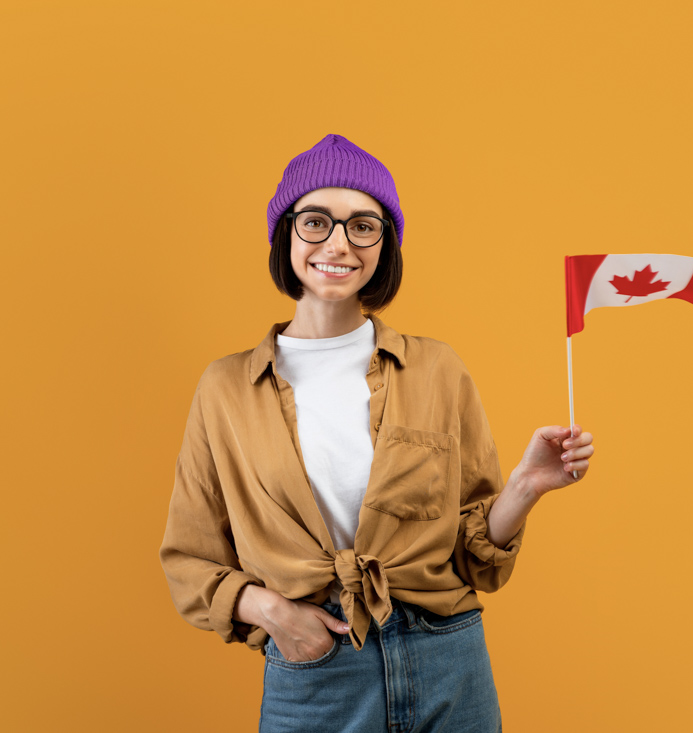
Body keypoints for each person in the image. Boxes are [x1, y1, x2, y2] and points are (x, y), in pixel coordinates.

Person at [159, 133, 596, 732]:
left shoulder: (437, 369)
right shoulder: (226, 389)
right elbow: (189, 556)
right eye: (316, 221)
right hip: (315, 672)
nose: (338, 244)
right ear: (285, 234)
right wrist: (271, 611)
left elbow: (474, 556)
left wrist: (524, 487)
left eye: (363, 225)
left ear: (384, 244)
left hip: (447, 661)